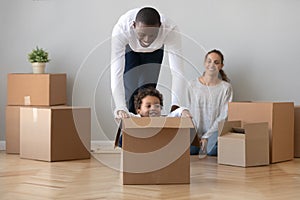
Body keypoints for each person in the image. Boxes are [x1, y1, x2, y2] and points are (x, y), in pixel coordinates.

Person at [111, 7, 185, 119]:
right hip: (130, 50)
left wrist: (176, 106)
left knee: (146, 95)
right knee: (130, 94)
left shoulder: (170, 29)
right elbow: (116, 73)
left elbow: (177, 72)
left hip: (154, 52)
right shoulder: (122, 29)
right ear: (133, 25)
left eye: (152, 35)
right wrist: (120, 107)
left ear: (160, 27)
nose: (146, 39)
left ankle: (147, 132)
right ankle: (127, 133)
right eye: (142, 34)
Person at [187, 49, 233, 157]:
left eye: (216, 62)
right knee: (190, 150)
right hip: (194, 130)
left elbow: (224, 115)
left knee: (212, 151)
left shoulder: (226, 88)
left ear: (221, 66)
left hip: (214, 132)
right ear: (204, 63)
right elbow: (188, 110)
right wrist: (196, 135)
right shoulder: (192, 85)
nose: (212, 65)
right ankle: (199, 145)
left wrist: (207, 136)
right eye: (209, 61)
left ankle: (208, 144)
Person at [117, 87, 191, 146]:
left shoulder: (164, 120)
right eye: (148, 106)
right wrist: (121, 112)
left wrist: (184, 111)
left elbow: (176, 113)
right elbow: (127, 115)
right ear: (138, 110)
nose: (153, 109)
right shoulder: (136, 119)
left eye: (157, 106)